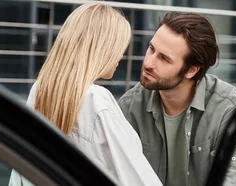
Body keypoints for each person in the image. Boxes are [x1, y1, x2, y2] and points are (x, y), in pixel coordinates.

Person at [8, 3, 162, 186]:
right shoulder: (96, 101)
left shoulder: (40, 89)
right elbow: (138, 179)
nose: (121, 56)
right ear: (102, 49)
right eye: (119, 47)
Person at [118, 12, 236, 186]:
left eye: (164, 58)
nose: (148, 63)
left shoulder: (227, 108)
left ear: (191, 70)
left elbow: (230, 181)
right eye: (152, 48)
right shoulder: (130, 106)